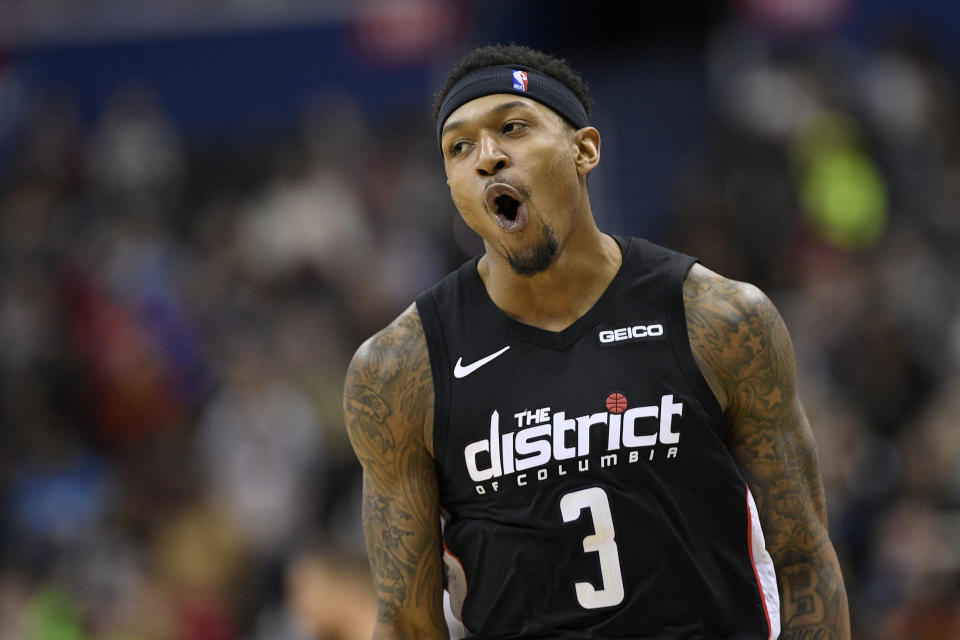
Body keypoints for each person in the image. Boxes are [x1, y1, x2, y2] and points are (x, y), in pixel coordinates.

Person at [343, 43, 850, 639]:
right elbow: (406, 622)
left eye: (512, 126)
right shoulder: (400, 369)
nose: (487, 157)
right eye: (459, 147)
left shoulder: (721, 319)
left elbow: (805, 561)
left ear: (585, 150)